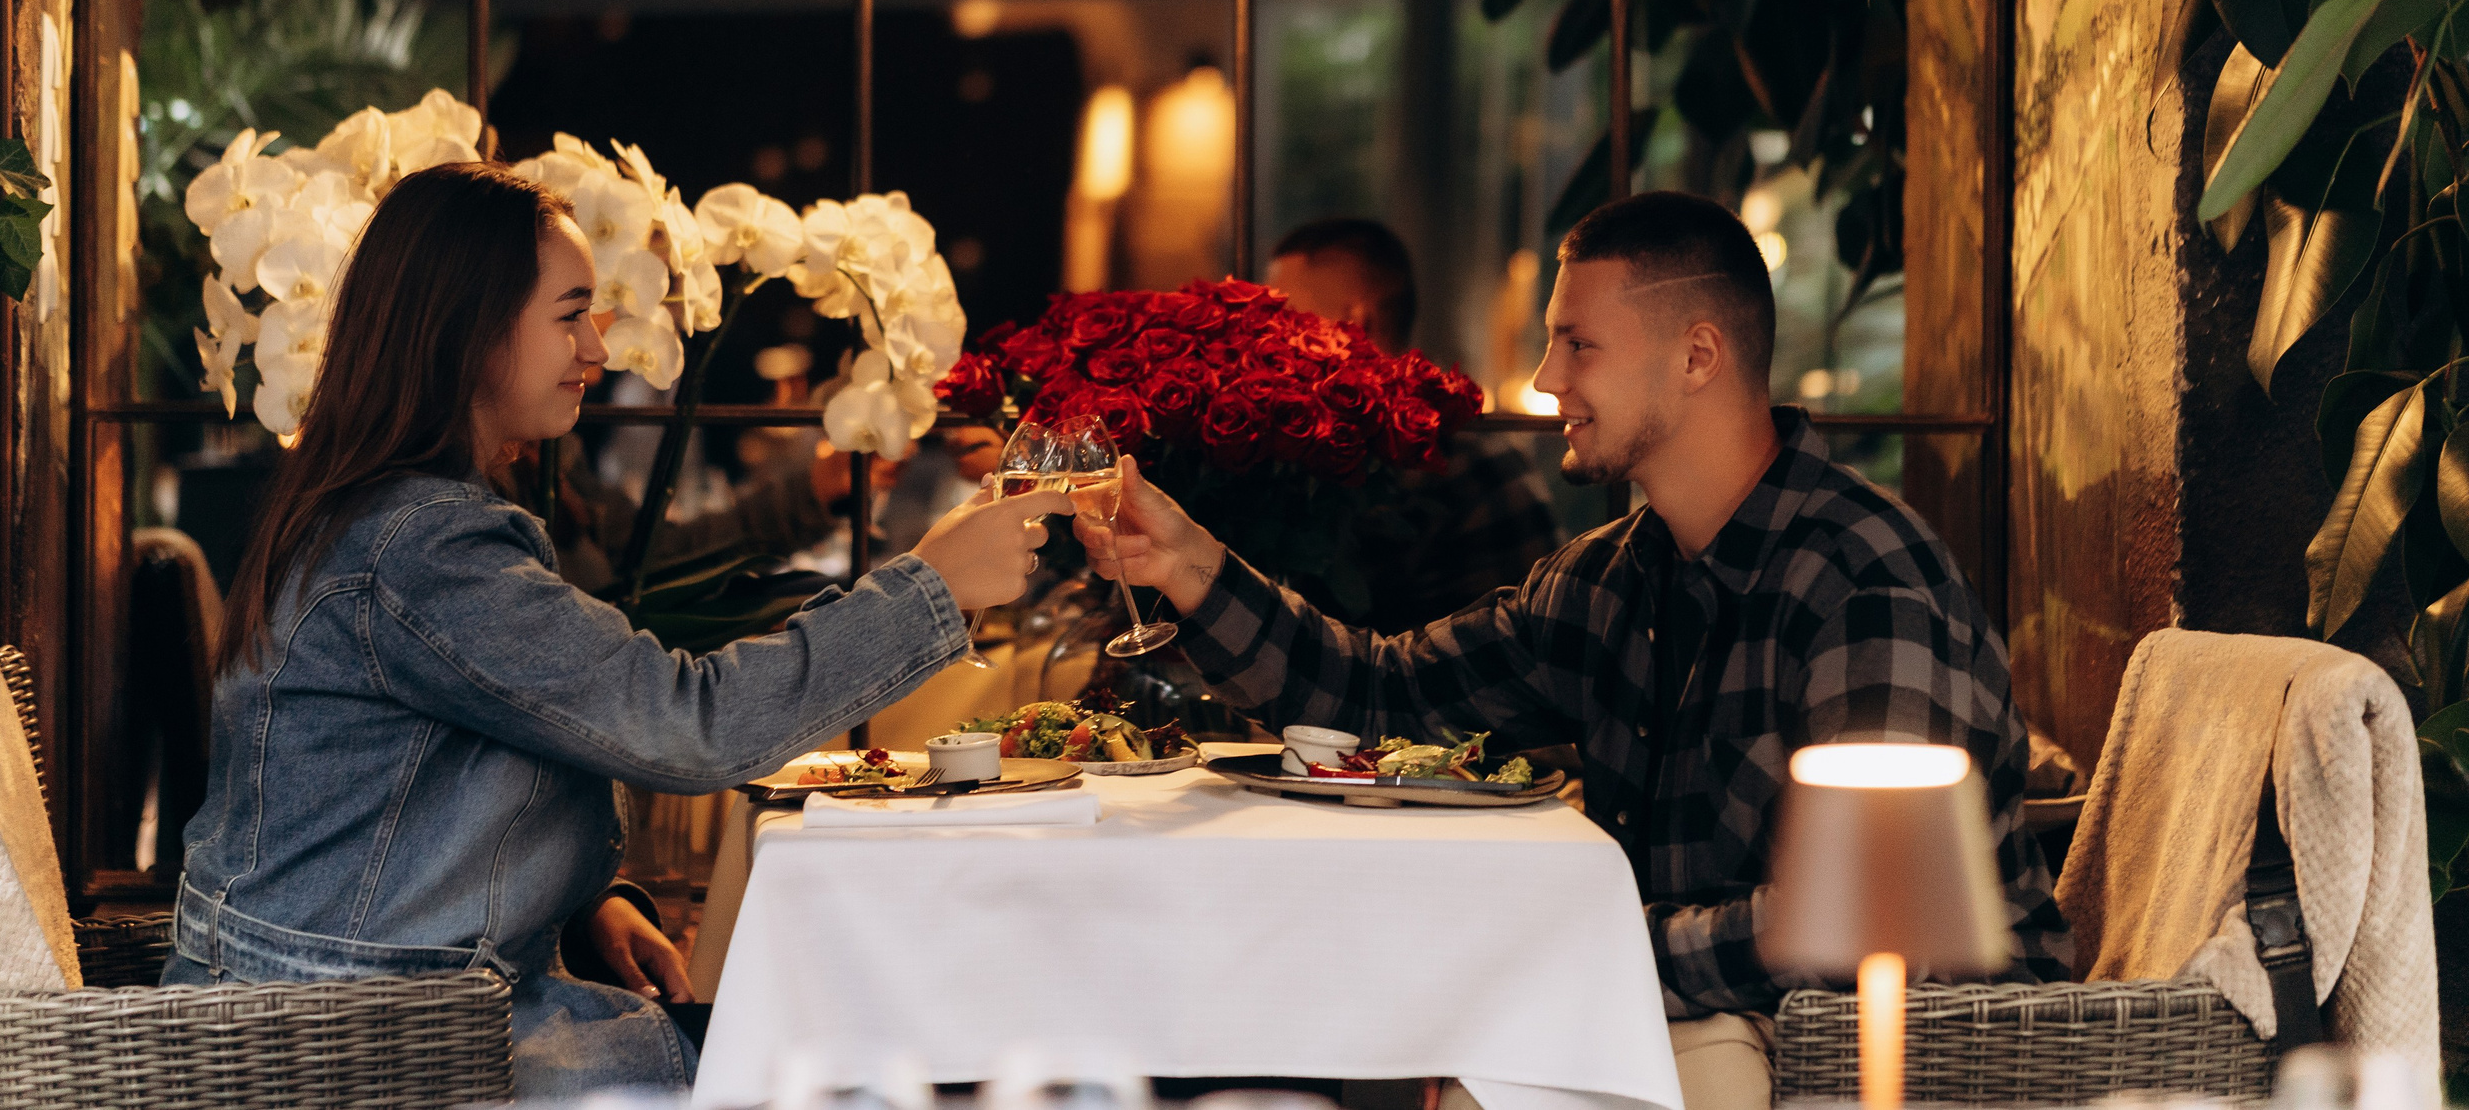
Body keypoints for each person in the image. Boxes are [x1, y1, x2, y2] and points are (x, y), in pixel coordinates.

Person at [1083, 192, 2068, 1110]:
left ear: (1696, 356)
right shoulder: (1610, 579)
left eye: (1576, 344)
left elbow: (1868, 917)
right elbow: (1378, 701)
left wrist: (1590, 945)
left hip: (1905, 1059)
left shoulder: (1865, 582)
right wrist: (1189, 565)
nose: (1547, 378)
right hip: (1689, 1018)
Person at [165, 162, 1065, 1098]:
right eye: (570, 314)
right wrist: (931, 586)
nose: (597, 348)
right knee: (871, 1060)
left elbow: (416, 785)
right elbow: (688, 724)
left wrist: (591, 901)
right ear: (466, 329)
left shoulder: (377, 515)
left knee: (817, 1045)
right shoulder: (423, 544)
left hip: (362, 1017)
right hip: (367, 1052)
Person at [1267, 218, 1561, 632]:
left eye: (1285, 317)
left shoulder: (1455, 464)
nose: (1267, 337)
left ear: (1357, 321)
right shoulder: (1308, 454)